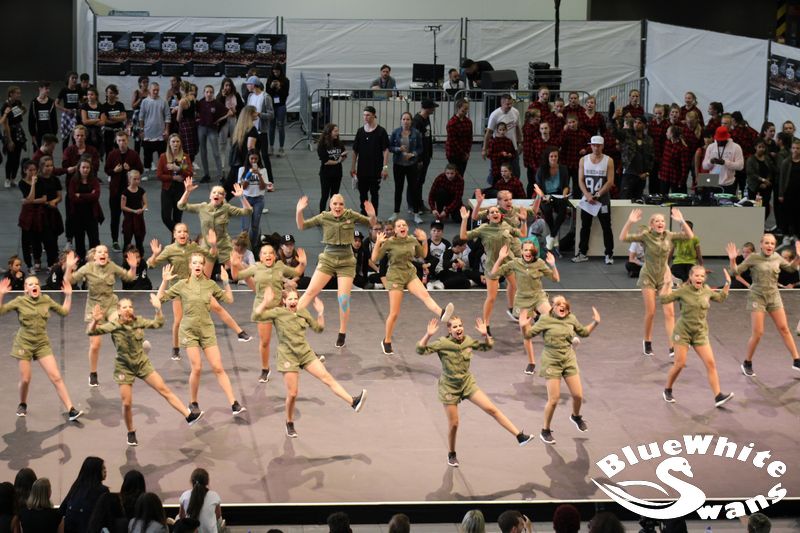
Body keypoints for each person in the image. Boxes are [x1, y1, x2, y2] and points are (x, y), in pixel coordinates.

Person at [417, 315, 533, 467]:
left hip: (467, 383)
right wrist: (428, 335)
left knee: (492, 409)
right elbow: (420, 350)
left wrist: (485, 335)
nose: (458, 329)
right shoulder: (442, 343)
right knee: (454, 424)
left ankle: (519, 436)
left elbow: (488, 347)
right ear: (449, 330)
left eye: (460, 326)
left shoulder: (468, 341)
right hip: (449, 387)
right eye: (455, 327)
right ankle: (452, 454)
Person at [88, 295, 204, 446]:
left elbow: (158, 323)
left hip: (142, 363)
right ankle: (131, 431)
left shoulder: (138, 321)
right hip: (124, 367)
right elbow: (92, 332)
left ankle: (189, 416)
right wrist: (95, 321)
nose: (128, 309)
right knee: (127, 403)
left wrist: (158, 309)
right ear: (118, 311)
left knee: (164, 389)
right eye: (124, 307)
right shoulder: (114, 325)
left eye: (130, 307)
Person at [253, 286, 368, 437]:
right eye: (290, 299)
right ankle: (289, 422)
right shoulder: (277, 313)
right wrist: (265, 302)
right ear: (284, 301)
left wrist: (320, 313)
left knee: (327, 378)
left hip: (305, 353)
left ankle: (353, 402)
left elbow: (318, 329)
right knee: (293, 393)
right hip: (288, 356)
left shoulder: (302, 312)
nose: (293, 301)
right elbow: (256, 316)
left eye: (295, 298)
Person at [158, 255, 247, 415]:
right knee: (197, 368)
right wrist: (164, 281)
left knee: (218, 367)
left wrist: (226, 282)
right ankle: (193, 403)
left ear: (203, 266)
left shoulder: (210, 284)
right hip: (189, 331)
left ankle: (234, 404)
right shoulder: (182, 285)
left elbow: (229, 299)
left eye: (200, 263)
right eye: (194, 263)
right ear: (190, 266)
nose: (198, 265)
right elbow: (160, 299)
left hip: (207, 330)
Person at [295, 194, 377, 348]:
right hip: (328, 259)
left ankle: (342, 333)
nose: (338, 207)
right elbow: (302, 226)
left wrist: (372, 215)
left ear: (343, 205)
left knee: (343, 299)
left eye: (340, 204)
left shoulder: (350, 215)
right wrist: (299, 211)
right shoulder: (324, 217)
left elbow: (371, 223)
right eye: (335, 204)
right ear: (330, 205)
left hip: (346, 261)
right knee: (310, 291)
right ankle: (290, 321)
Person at [520, 295, 600, 444]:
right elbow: (528, 335)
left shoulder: (571, 318)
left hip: (568, 359)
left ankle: (576, 416)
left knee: (578, 395)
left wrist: (595, 322)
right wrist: (524, 325)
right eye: (558, 304)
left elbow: (584, 332)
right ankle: (545, 430)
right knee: (554, 400)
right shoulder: (545, 319)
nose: (562, 305)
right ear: (553, 307)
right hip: (552, 361)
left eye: (564, 303)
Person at [0, 276, 82, 420]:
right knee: (26, 379)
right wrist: (1, 294)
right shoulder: (19, 301)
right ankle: (22, 403)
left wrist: (68, 296)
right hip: (24, 344)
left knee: (56, 377)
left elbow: (64, 312)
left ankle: (71, 409)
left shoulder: (46, 300)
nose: (34, 286)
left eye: (36, 284)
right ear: (26, 289)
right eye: (30, 284)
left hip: (41, 343)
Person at [372, 220, 455, 354]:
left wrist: (424, 241)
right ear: (395, 230)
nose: (402, 227)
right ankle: (386, 341)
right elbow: (374, 258)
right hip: (395, 276)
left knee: (425, 295)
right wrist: (378, 243)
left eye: (404, 225)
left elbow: (423, 255)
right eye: (399, 226)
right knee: (394, 313)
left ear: (407, 228)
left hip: (409, 273)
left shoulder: (412, 240)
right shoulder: (389, 242)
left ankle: (442, 314)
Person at [620, 208, 694, 357]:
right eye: (657, 221)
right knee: (651, 312)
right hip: (648, 275)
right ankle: (647, 341)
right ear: (652, 225)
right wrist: (630, 222)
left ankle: (672, 346)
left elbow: (690, 236)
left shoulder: (669, 235)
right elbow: (623, 237)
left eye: (662, 221)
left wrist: (681, 220)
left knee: (670, 313)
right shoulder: (646, 236)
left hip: (664, 277)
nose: (660, 223)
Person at [659, 265, 735, 406]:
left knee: (710, 364)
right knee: (680, 364)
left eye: (702, 276)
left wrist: (728, 283)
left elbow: (720, 298)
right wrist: (667, 284)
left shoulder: (706, 290)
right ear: (691, 277)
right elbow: (664, 300)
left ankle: (718, 396)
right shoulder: (683, 291)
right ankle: (667, 389)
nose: (699, 278)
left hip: (700, 333)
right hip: (683, 332)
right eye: (696, 275)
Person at [231, 242, 305, 383]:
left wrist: (302, 263)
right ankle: (265, 369)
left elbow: (297, 272)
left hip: (279, 307)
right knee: (265, 342)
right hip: (263, 309)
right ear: (260, 257)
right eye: (264, 253)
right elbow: (236, 276)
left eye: (270, 253)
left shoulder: (280, 266)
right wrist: (234, 265)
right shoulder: (256, 267)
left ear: (275, 256)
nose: (268, 255)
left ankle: (304, 357)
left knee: (291, 334)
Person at [727, 235, 800, 376]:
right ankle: (747, 362)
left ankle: (797, 360)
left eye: (772, 243)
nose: (769, 246)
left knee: (784, 328)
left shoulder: (777, 257)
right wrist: (732, 260)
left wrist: (798, 257)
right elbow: (734, 272)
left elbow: (791, 269)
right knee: (758, 333)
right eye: (767, 243)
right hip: (757, 297)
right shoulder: (753, 258)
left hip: (774, 296)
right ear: (761, 244)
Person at [64, 245, 137, 386]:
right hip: (94, 307)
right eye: (100, 252)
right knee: (95, 344)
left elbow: (129, 277)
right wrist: (68, 267)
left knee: (120, 327)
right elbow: (69, 280)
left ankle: (129, 358)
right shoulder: (88, 268)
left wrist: (133, 267)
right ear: (95, 256)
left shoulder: (112, 266)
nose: (103, 254)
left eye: (105, 252)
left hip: (111, 304)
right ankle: (93, 373)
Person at [489, 241, 559, 375]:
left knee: (552, 318)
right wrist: (500, 258)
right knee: (526, 334)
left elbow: (555, 279)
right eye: (525, 250)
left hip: (538, 296)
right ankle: (531, 363)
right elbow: (493, 274)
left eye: (530, 250)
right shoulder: (515, 263)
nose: (527, 252)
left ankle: (565, 341)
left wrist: (553, 265)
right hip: (523, 301)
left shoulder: (539, 263)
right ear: (521, 251)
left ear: (534, 252)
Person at [460, 204, 525, 336]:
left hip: (508, 263)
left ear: (500, 215)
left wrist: (524, 221)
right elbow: (463, 236)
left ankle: (513, 309)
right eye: (492, 212)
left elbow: (523, 234)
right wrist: (465, 219)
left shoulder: (506, 226)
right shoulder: (483, 229)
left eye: (497, 211)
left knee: (517, 288)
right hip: (492, 266)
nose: (495, 213)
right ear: (488, 217)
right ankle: (486, 324)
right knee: (491, 297)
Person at [178, 179, 252, 269]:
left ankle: (255, 274)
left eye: (220, 193)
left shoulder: (226, 208)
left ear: (223, 197)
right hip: (207, 246)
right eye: (214, 192)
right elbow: (181, 206)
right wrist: (187, 191)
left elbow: (248, 211)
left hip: (223, 245)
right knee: (203, 273)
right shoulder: (202, 207)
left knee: (238, 269)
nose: (216, 194)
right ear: (210, 196)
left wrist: (241, 197)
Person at [572, 135, 615, 265]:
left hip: (602, 200)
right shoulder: (583, 160)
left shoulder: (608, 160)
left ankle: (609, 253)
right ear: (590, 146)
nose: (596, 148)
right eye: (594, 145)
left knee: (606, 227)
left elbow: (610, 181)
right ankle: (582, 252)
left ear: (602, 146)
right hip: (588, 200)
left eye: (598, 145)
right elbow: (580, 180)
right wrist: (587, 195)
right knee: (585, 226)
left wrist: (598, 194)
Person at [105, 131, 144, 251]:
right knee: (115, 217)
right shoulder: (112, 154)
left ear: (128, 141)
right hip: (115, 191)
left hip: (130, 192)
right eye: (119, 140)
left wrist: (130, 169)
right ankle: (115, 241)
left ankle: (131, 242)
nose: (122, 143)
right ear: (116, 141)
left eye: (124, 140)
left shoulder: (133, 154)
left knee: (131, 217)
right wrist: (114, 171)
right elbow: (107, 170)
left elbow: (140, 170)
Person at [351, 106, 390, 215]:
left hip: (375, 168)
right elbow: (355, 151)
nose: (365, 117)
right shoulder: (360, 131)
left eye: (368, 115)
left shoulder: (381, 131)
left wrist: (385, 168)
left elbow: (386, 150)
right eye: (364, 115)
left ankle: (373, 215)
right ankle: (364, 213)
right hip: (362, 168)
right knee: (362, 193)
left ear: (374, 115)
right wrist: (353, 167)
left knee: (374, 193)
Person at [388, 112, 423, 222]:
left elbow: (420, 148)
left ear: (411, 121)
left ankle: (416, 213)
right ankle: (396, 212)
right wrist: (398, 149)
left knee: (414, 189)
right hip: (398, 164)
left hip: (412, 165)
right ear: (401, 120)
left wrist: (412, 154)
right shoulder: (395, 132)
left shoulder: (416, 133)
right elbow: (390, 147)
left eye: (408, 119)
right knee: (398, 189)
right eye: (403, 119)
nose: (406, 121)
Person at [60, 457, 110, 533]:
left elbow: (62, 510)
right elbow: (107, 517)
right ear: (95, 471)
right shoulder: (102, 490)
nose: (105, 471)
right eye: (103, 468)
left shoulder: (76, 487)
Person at [68, 156, 103, 262]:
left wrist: (80, 195)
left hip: (91, 215)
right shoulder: (73, 181)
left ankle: (94, 258)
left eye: (87, 168)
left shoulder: (94, 180)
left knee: (94, 239)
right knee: (79, 239)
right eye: (83, 167)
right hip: (77, 215)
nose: (85, 170)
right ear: (79, 168)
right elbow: (72, 198)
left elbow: (96, 196)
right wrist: (89, 196)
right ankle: (81, 259)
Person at [535, 149, 571, 252]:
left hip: (558, 195)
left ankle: (551, 236)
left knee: (563, 210)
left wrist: (564, 194)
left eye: (555, 156)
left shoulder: (563, 169)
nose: (554, 158)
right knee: (547, 210)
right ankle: (553, 236)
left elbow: (566, 186)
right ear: (548, 157)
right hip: (545, 195)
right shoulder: (541, 170)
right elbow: (537, 187)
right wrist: (543, 196)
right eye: (551, 156)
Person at [157, 134, 191, 233]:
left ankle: (176, 239)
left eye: (177, 141)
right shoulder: (163, 157)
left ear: (180, 143)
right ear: (169, 144)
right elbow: (159, 175)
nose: (175, 144)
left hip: (180, 190)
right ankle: (180, 233)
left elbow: (189, 173)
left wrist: (179, 169)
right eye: (173, 141)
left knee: (177, 218)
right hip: (167, 189)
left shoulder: (184, 157)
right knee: (165, 217)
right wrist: (173, 177)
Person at [237, 150, 272, 246]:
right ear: (248, 159)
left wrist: (259, 175)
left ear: (259, 159)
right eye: (251, 158)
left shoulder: (263, 170)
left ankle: (254, 245)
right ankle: (243, 245)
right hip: (246, 199)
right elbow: (243, 187)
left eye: (256, 159)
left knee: (255, 225)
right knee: (245, 226)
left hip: (258, 199)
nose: (253, 161)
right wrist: (249, 174)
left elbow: (262, 187)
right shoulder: (242, 170)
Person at [482, 95, 521, 179]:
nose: (510, 106)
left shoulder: (516, 112)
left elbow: (518, 129)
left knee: (516, 173)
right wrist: (484, 149)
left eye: (511, 104)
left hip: (512, 148)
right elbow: (488, 133)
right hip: (498, 149)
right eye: (507, 104)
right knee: (497, 175)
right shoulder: (495, 115)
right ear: (502, 103)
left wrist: (520, 143)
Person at [17, 160, 46, 275]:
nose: (33, 172)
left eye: (35, 170)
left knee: (37, 239)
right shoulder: (22, 183)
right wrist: (33, 184)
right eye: (30, 170)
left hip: (38, 213)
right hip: (27, 215)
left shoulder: (41, 181)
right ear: (25, 170)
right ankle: (29, 265)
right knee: (26, 240)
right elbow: (30, 197)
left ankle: (37, 260)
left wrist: (29, 201)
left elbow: (43, 199)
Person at [139, 82, 171, 179]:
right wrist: (142, 130)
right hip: (148, 133)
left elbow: (167, 116)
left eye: (157, 90)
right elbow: (141, 117)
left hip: (160, 134)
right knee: (147, 155)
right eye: (154, 90)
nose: (156, 92)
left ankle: (162, 172)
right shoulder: (145, 102)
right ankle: (146, 173)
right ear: (150, 90)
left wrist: (166, 130)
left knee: (162, 155)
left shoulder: (163, 101)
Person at [196, 84, 226, 183]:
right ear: (204, 93)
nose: (209, 94)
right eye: (207, 92)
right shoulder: (200, 103)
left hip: (212, 129)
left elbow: (228, 112)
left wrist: (219, 120)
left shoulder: (216, 103)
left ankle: (221, 175)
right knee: (203, 152)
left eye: (211, 92)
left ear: (213, 93)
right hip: (201, 128)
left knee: (216, 152)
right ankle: (206, 175)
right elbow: (195, 112)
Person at [245, 76, 274, 177]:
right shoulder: (250, 96)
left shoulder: (266, 97)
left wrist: (259, 114)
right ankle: (252, 176)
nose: (247, 86)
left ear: (253, 85)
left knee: (265, 155)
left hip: (262, 131)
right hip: (251, 130)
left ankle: (270, 178)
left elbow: (271, 114)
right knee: (252, 155)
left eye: (248, 84)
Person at [702, 126, 744, 194]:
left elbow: (740, 166)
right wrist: (711, 162)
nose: (719, 142)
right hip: (712, 181)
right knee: (710, 200)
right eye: (718, 140)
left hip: (728, 183)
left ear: (727, 138)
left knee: (726, 201)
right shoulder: (711, 147)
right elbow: (704, 166)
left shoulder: (736, 147)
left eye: (722, 141)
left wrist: (725, 162)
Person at [178, 468, 221, 533]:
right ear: (207, 482)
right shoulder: (214, 495)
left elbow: (181, 516)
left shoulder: (185, 495)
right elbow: (218, 515)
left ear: (192, 481)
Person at [317, 123, 346, 213]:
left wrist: (343, 157)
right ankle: (322, 214)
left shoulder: (339, 143)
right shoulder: (322, 145)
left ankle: (332, 213)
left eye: (337, 131)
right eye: (335, 131)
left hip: (337, 173)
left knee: (334, 196)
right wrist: (337, 161)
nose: (337, 133)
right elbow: (326, 161)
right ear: (329, 132)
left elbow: (342, 154)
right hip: (326, 174)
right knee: (325, 195)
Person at [2, 86, 27, 189]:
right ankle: (7, 179)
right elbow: (5, 124)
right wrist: (10, 140)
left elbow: (21, 114)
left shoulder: (18, 103)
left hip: (19, 132)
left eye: (19, 93)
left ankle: (13, 178)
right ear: (11, 94)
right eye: (17, 93)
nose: (19, 95)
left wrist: (23, 110)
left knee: (17, 157)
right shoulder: (5, 106)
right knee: (11, 158)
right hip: (10, 132)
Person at [121, 169, 148, 256]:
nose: (137, 181)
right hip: (129, 219)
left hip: (139, 218)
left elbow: (145, 204)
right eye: (134, 179)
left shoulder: (141, 191)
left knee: (139, 239)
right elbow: (123, 206)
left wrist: (142, 209)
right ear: (129, 179)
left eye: (138, 179)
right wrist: (134, 211)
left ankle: (140, 255)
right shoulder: (125, 192)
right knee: (127, 239)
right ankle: (126, 256)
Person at [413, 99, 437, 190]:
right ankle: (413, 199)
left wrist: (429, 154)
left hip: (426, 155)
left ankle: (418, 198)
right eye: (433, 107)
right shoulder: (417, 121)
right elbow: (415, 142)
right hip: (419, 157)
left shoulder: (426, 118)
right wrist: (419, 159)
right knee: (415, 181)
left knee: (421, 181)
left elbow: (427, 137)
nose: (434, 109)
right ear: (427, 108)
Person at [445, 98, 473, 177]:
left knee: (461, 174)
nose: (466, 111)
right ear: (458, 108)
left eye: (467, 109)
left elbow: (470, 137)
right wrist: (463, 153)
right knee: (453, 174)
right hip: (453, 153)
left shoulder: (468, 122)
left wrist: (467, 152)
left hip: (464, 153)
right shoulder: (451, 123)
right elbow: (453, 141)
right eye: (464, 109)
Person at [267, 64, 290, 156]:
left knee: (281, 127)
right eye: (274, 72)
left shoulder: (286, 80)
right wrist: (271, 86)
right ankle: (271, 147)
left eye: (277, 72)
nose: (276, 73)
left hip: (281, 105)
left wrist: (279, 87)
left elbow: (285, 94)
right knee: (271, 127)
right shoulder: (269, 79)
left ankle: (281, 148)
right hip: (271, 106)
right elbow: (267, 93)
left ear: (280, 71)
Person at [28, 81, 57, 150]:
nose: (48, 90)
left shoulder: (51, 102)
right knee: (37, 153)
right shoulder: (34, 102)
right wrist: (33, 135)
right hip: (38, 134)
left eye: (49, 89)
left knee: (48, 153)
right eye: (46, 88)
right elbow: (31, 120)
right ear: (40, 89)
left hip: (49, 133)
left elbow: (54, 120)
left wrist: (54, 135)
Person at [56, 72, 81, 151]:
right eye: (72, 78)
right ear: (68, 79)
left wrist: (79, 109)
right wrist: (65, 110)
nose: (74, 80)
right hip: (66, 115)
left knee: (75, 137)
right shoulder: (64, 90)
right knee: (65, 138)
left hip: (76, 115)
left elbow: (81, 102)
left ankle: (75, 154)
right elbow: (56, 103)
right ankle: (65, 156)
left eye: (76, 78)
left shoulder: (78, 89)